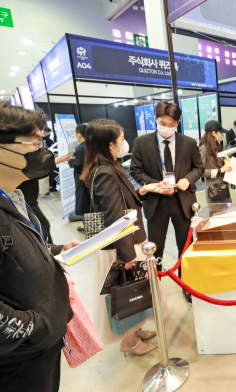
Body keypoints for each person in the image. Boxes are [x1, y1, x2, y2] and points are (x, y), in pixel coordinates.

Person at [0, 101, 81, 391]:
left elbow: (10, 255)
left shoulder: (9, 197)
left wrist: (54, 251)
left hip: (36, 354)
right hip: (11, 369)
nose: (41, 151)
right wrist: (42, 326)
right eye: (33, 143)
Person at [81, 119, 164, 355]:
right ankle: (129, 342)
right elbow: (114, 215)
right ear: (110, 145)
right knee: (129, 294)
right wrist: (126, 254)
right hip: (124, 245)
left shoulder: (105, 167)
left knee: (136, 292)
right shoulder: (106, 172)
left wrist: (143, 191)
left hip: (125, 242)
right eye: (121, 139)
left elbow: (120, 201)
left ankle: (136, 331)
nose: (124, 143)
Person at [130, 101, 205, 281]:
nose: (167, 128)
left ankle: (186, 283)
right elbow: (136, 171)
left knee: (185, 246)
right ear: (155, 119)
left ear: (178, 123)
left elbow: (199, 168)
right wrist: (156, 185)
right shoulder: (142, 142)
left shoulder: (188, 142)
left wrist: (188, 179)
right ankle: (156, 286)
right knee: (155, 248)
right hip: (156, 202)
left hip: (182, 202)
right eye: (163, 123)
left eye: (171, 124)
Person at [200, 120, 233, 204]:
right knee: (217, 211)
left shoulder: (218, 146)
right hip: (214, 189)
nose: (222, 135)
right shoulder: (204, 149)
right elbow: (200, 171)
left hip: (224, 186)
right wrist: (220, 170)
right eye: (220, 132)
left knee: (228, 210)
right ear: (214, 133)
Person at [68, 124, 91, 224]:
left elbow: (77, 164)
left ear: (79, 135)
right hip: (89, 175)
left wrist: (70, 160)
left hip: (81, 176)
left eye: (75, 133)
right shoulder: (91, 145)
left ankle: (82, 214)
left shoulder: (81, 148)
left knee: (82, 196)